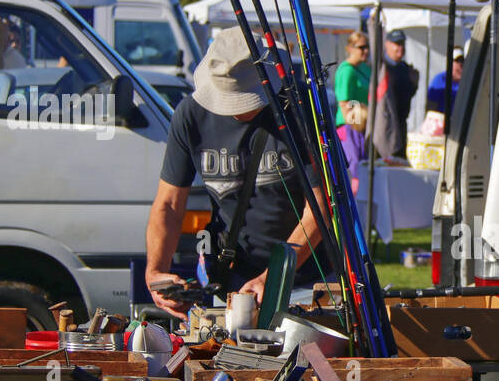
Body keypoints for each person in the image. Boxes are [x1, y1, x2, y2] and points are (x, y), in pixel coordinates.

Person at [145, 27, 329, 319]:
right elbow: (168, 203)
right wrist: (156, 271)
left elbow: (321, 207)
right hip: (227, 280)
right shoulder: (191, 114)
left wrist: (273, 278)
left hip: (307, 282)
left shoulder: (301, 109)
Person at [371, 29, 418, 159]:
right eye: (397, 44)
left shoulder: (406, 69)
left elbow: (407, 96)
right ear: (387, 44)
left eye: (402, 43)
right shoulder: (381, 68)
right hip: (383, 127)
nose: (400, 48)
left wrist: (414, 85)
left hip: (401, 126)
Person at [333, 31, 370, 172]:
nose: (365, 51)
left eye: (367, 47)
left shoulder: (365, 68)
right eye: (361, 47)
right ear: (350, 48)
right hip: (349, 126)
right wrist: (353, 129)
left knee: (363, 165)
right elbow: (344, 103)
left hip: (362, 126)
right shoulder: (346, 71)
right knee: (353, 165)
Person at [427, 47, 463, 114]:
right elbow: (431, 108)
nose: (460, 64)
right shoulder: (439, 80)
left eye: (462, 60)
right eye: (457, 60)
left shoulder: (467, 83)